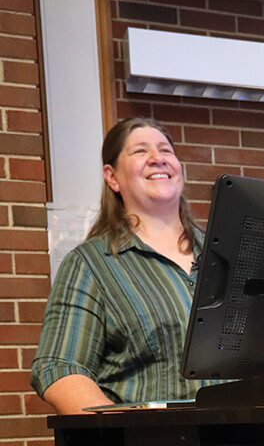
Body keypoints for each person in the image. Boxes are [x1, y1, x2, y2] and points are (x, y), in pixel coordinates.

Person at [31, 118, 221, 414]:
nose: (157, 158)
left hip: (248, 444)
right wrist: (124, 430)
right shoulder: (91, 265)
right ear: (112, 177)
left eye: (165, 150)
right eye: (140, 152)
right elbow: (59, 367)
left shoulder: (226, 255)